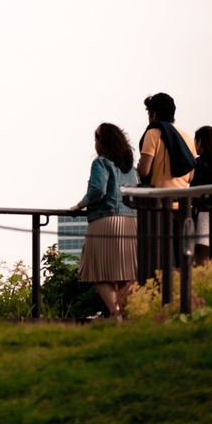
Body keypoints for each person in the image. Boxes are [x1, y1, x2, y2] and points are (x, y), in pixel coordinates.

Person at [71, 123, 137, 320]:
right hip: (131, 222)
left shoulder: (100, 162)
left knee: (100, 274)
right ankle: (129, 315)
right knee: (127, 274)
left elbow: (98, 190)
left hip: (106, 222)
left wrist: (80, 205)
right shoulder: (130, 168)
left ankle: (116, 316)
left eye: (96, 137)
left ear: (102, 141)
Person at [137, 93, 195, 188]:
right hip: (183, 201)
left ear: (154, 114)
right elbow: (190, 178)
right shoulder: (187, 137)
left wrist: (139, 165)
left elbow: (144, 171)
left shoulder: (152, 133)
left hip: (159, 201)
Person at [191, 126, 212, 266]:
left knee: (201, 260)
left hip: (205, 216)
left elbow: (193, 191)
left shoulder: (199, 164)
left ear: (200, 142)